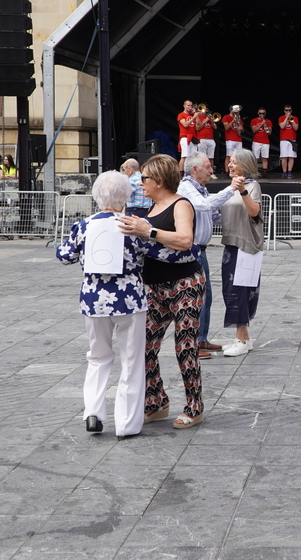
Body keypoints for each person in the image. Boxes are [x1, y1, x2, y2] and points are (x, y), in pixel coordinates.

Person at [56, 171, 200, 439]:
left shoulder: (83, 225)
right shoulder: (133, 226)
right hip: (130, 300)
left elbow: (63, 255)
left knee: (97, 357)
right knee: (132, 360)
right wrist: (192, 250)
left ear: (96, 196)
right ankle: (126, 423)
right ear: (125, 197)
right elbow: (169, 255)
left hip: (94, 300)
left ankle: (93, 412)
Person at [117, 154, 207, 430]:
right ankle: (156, 402)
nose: (139, 182)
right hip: (154, 286)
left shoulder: (181, 204)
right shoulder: (150, 208)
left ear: (158, 180)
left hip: (185, 284)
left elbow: (185, 240)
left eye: (144, 178)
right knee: (144, 346)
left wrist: (149, 231)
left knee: (185, 346)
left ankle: (194, 407)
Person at [176, 152, 246, 359]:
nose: (211, 170)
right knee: (195, 298)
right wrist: (231, 189)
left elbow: (214, 215)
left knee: (205, 297)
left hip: (201, 251)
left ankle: (202, 339)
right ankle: (193, 344)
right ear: (195, 169)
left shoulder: (201, 189)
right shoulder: (187, 188)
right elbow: (204, 205)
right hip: (192, 251)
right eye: (207, 166)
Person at [219, 149, 265, 357]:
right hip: (230, 245)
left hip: (246, 247)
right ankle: (244, 338)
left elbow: (254, 211)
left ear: (245, 166)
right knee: (231, 292)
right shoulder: (229, 188)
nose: (230, 165)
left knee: (240, 292)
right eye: (230, 161)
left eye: (234, 162)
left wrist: (243, 191)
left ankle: (240, 339)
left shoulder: (252, 186)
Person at [278, 104, 299, 178]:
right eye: (286, 110)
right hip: (284, 140)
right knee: (284, 157)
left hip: (292, 139)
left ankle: (289, 172)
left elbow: (296, 128)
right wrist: (286, 117)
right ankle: (284, 172)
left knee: (291, 157)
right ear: (284, 111)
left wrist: (291, 119)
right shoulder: (281, 118)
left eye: (289, 110)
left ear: (291, 111)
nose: (288, 111)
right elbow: (282, 126)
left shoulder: (295, 118)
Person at [250, 107, 273, 177]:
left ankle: (264, 173)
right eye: (260, 113)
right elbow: (254, 130)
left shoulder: (268, 121)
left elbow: (269, 132)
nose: (262, 115)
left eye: (263, 113)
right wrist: (261, 124)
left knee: (265, 158)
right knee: (255, 158)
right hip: (256, 141)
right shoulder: (254, 120)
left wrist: (266, 125)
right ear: (258, 113)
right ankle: (254, 172)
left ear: (265, 113)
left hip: (265, 142)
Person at [223, 105, 245, 173]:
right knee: (228, 156)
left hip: (238, 140)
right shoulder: (226, 117)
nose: (236, 112)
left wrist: (241, 129)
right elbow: (226, 128)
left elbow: (242, 130)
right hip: (230, 139)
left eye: (237, 111)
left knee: (239, 157)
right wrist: (233, 120)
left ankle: (237, 171)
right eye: (235, 111)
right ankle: (227, 171)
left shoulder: (239, 119)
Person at [176, 99, 196, 172]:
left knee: (193, 157)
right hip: (185, 137)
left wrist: (195, 114)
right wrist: (193, 118)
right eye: (188, 105)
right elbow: (185, 125)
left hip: (193, 138)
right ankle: (181, 171)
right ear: (184, 106)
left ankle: (191, 171)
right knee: (184, 156)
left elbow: (199, 124)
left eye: (191, 105)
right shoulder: (181, 115)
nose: (190, 107)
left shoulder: (193, 114)